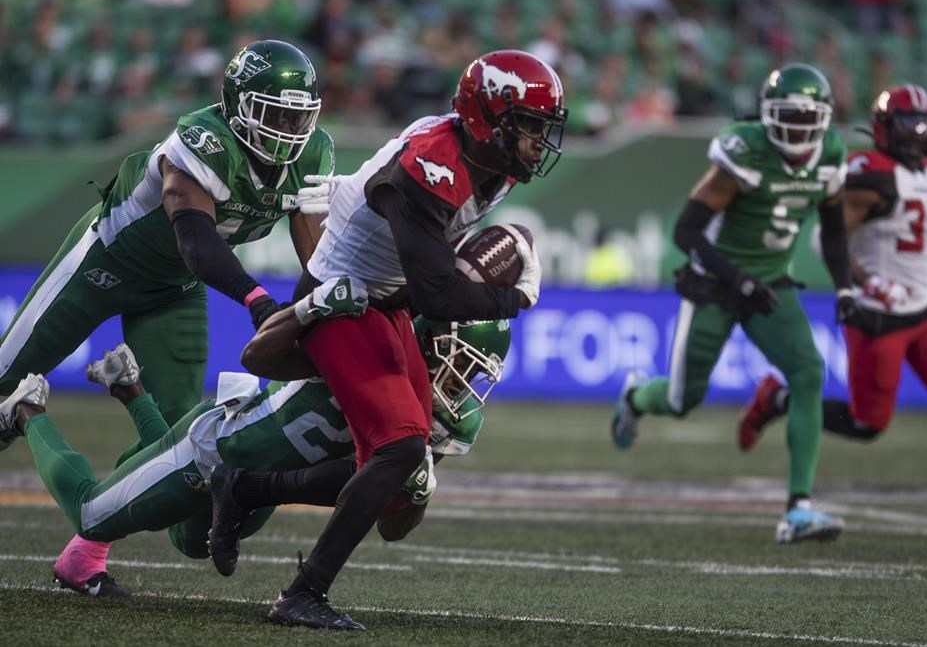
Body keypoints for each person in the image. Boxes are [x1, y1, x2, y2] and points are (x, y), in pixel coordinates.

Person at [207, 49, 565, 630]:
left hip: (384, 298)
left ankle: (245, 488)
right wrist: (514, 298)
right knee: (399, 448)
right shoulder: (432, 168)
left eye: (540, 129)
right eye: (527, 126)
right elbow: (439, 297)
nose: (536, 142)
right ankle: (303, 593)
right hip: (342, 300)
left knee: (403, 464)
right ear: (489, 120)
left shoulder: (481, 158)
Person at [0, 38, 334, 584]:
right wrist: (257, 300)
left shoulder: (314, 152)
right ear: (238, 105)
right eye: (275, 114)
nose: (289, 132)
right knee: (1, 372)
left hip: (172, 290)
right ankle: (29, 406)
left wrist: (317, 309)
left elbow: (315, 248)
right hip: (104, 264)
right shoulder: (203, 139)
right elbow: (196, 241)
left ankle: (85, 551)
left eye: (299, 118)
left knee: (181, 445)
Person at [0, 281, 512, 602]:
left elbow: (391, 522)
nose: (464, 381)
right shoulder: (367, 349)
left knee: (190, 543)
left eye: (475, 371)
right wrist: (308, 309)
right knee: (91, 515)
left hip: (258, 483)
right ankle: (27, 410)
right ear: (423, 340)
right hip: (216, 446)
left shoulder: (450, 419)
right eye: (460, 361)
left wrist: (418, 489)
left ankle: (132, 390)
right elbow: (257, 355)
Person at [739, 84, 927, 533]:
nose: (918, 134)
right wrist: (867, 283)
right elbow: (822, 238)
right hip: (878, 316)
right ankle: (777, 399)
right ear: (885, 128)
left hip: (926, 310)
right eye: (909, 125)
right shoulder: (872, 174)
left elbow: (914, 250)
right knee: (867, 424)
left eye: (925, 126)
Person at [611, 63, 858, 544]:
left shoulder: (829, 155)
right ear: (768, 116)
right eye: (790, 117)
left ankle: (799, 508)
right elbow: (685, 231)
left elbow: (833, 232)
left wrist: (846, 287)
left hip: (770, 286)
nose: (801, 130)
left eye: (810, 119)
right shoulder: (745, 152)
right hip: (716, 285)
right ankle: (635, 397)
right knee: (682, 400)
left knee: (809, 373)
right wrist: (735, 279)